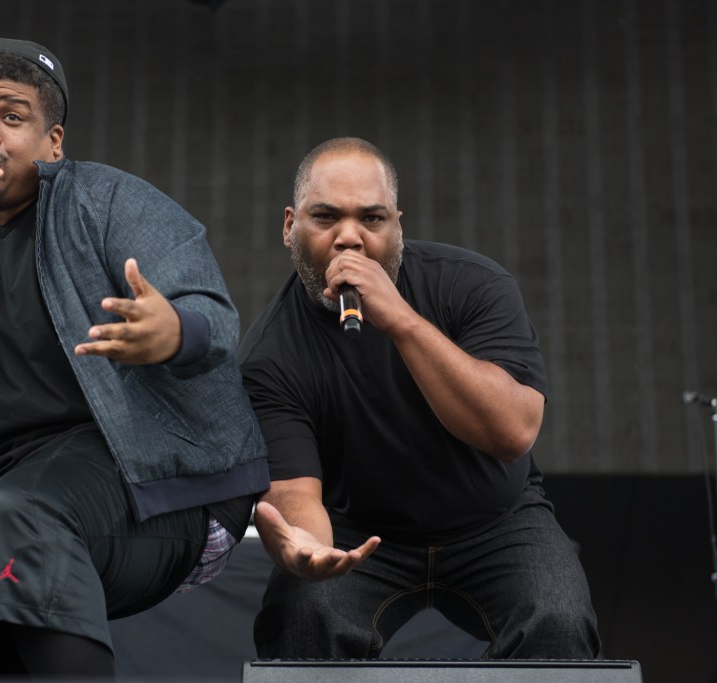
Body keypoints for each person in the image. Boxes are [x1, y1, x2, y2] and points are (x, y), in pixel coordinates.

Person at [0, 37, 268, 679]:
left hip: (159, 490)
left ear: (53, 142)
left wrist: (173, 331)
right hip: (6, 513)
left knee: (20, 519)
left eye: (12, 116)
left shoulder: (107, 200)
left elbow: (214, 316)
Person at [239, 137, 601, 659]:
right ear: (289, 227)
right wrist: (310, 546)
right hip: (360, 532)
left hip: (497, 521)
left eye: (372, 218)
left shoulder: (472, 285)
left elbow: (514, 430)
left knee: (558, 619)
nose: (350, 238)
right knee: (301, 618)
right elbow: (295, 491)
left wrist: (401, 320)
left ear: (398, 227)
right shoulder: (269, 355)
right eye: (326, 217)